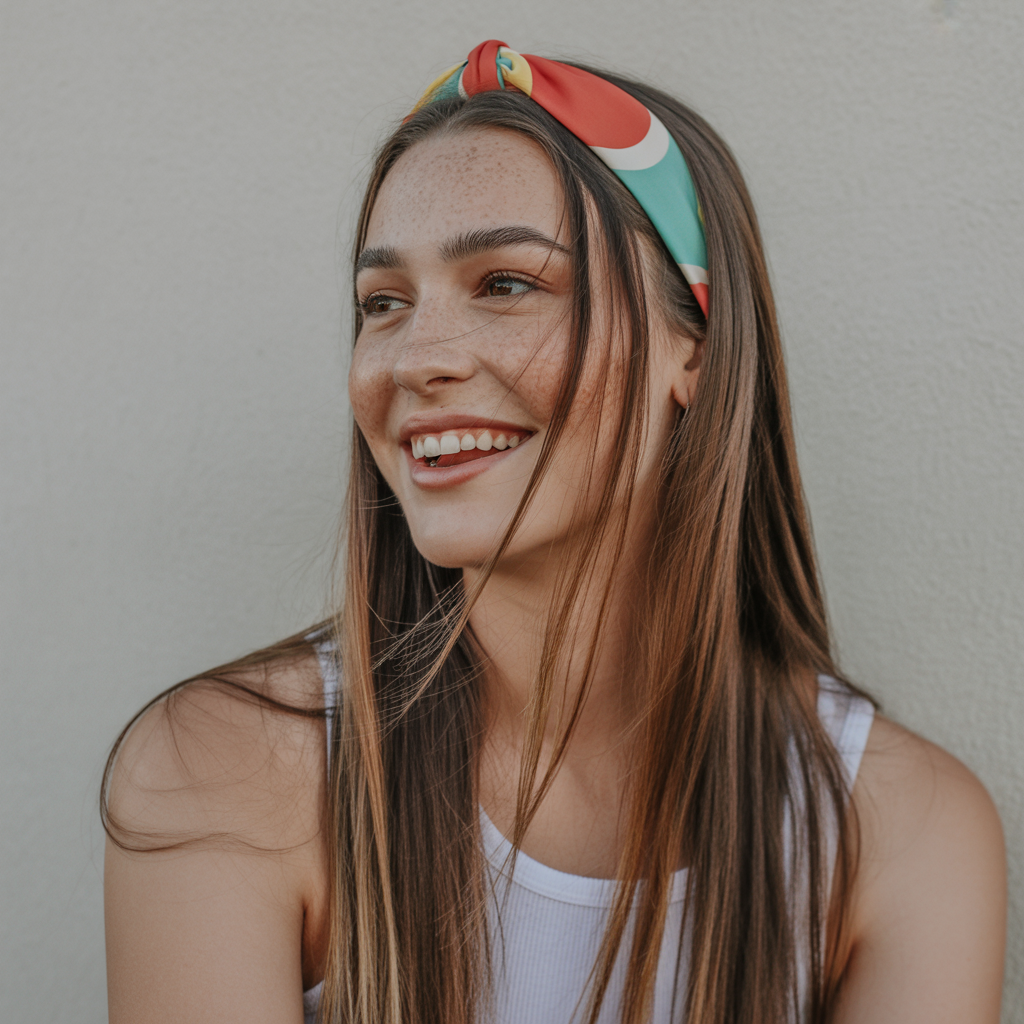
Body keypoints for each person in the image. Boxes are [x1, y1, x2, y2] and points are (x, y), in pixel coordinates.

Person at [102, 40, 1007, 1024]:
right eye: (382, 303)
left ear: (692, 352)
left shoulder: (901, 830)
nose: (415, 358)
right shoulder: (227, 769)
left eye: (507, 284)